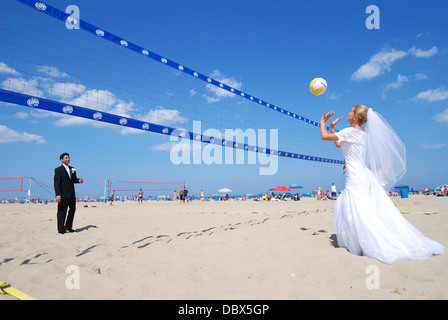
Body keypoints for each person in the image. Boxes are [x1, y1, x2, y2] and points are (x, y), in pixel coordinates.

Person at [320, 105, 443, 263]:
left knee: (358, 209)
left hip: (356, 176)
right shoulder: (361, 134)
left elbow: (324, 137)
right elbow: (339, 143)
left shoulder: (349, 132)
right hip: (363, 175)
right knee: (363, 208)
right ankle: (362, 240)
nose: (348, 113)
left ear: (356, 117)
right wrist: (332, 128)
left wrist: (323, 122)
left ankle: (367, 242)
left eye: (351, 112)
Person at [54, 153, 83, 234]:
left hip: (71, 193)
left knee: (72, 209)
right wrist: (58, 195)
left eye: (68, 158)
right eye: (66, 158)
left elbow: (73, 179)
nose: (68, 159)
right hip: (63, 194)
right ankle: (61, 229)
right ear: (61, 160)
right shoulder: (58, 170)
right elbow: (57, 183)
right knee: (62, 211)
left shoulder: (72, 168)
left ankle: (68, 226)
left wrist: (78, 180)